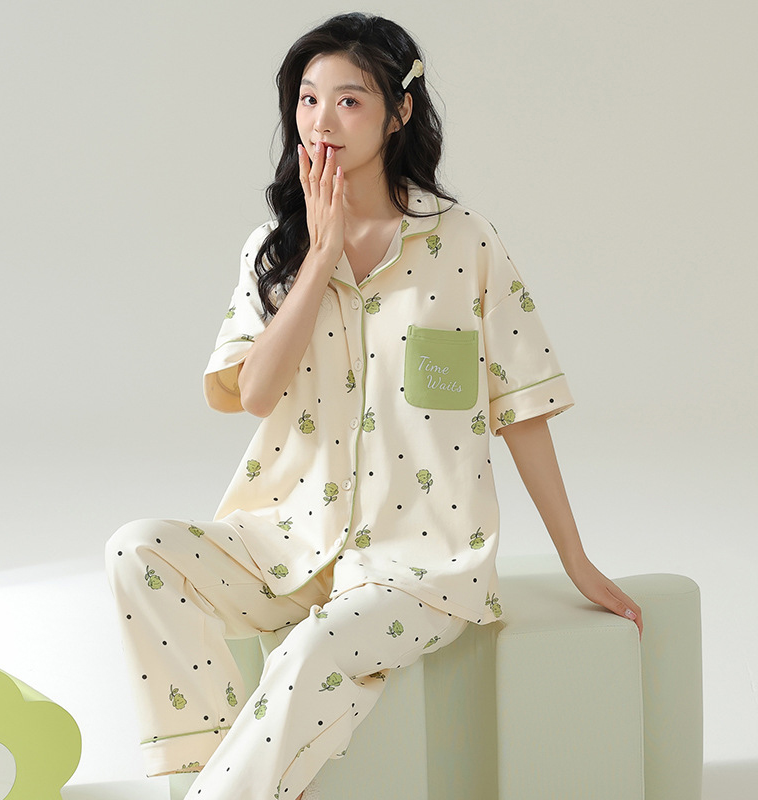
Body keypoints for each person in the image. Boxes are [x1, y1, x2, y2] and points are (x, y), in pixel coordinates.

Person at [105, 12, 643, 800]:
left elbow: (522, 409)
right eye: (307, 98)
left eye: (349, 100)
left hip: (419, 565)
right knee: (138, 552)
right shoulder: (273, 251)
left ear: (400, 112)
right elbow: (254, 394)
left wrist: (577, 559)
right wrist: (320, 255)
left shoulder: (465, 244)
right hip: (287, 541)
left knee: (308, 654)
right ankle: (224, 779)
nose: (321, 121)